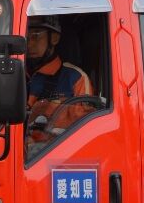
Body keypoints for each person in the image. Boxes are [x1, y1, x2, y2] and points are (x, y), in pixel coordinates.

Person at [25, 15, 95, 143]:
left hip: (46, 155)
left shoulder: (75, 78)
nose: (29, 43)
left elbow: (85, 134)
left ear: (55, 38)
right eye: (26, 37)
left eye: (35, 35)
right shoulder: (12, 74)